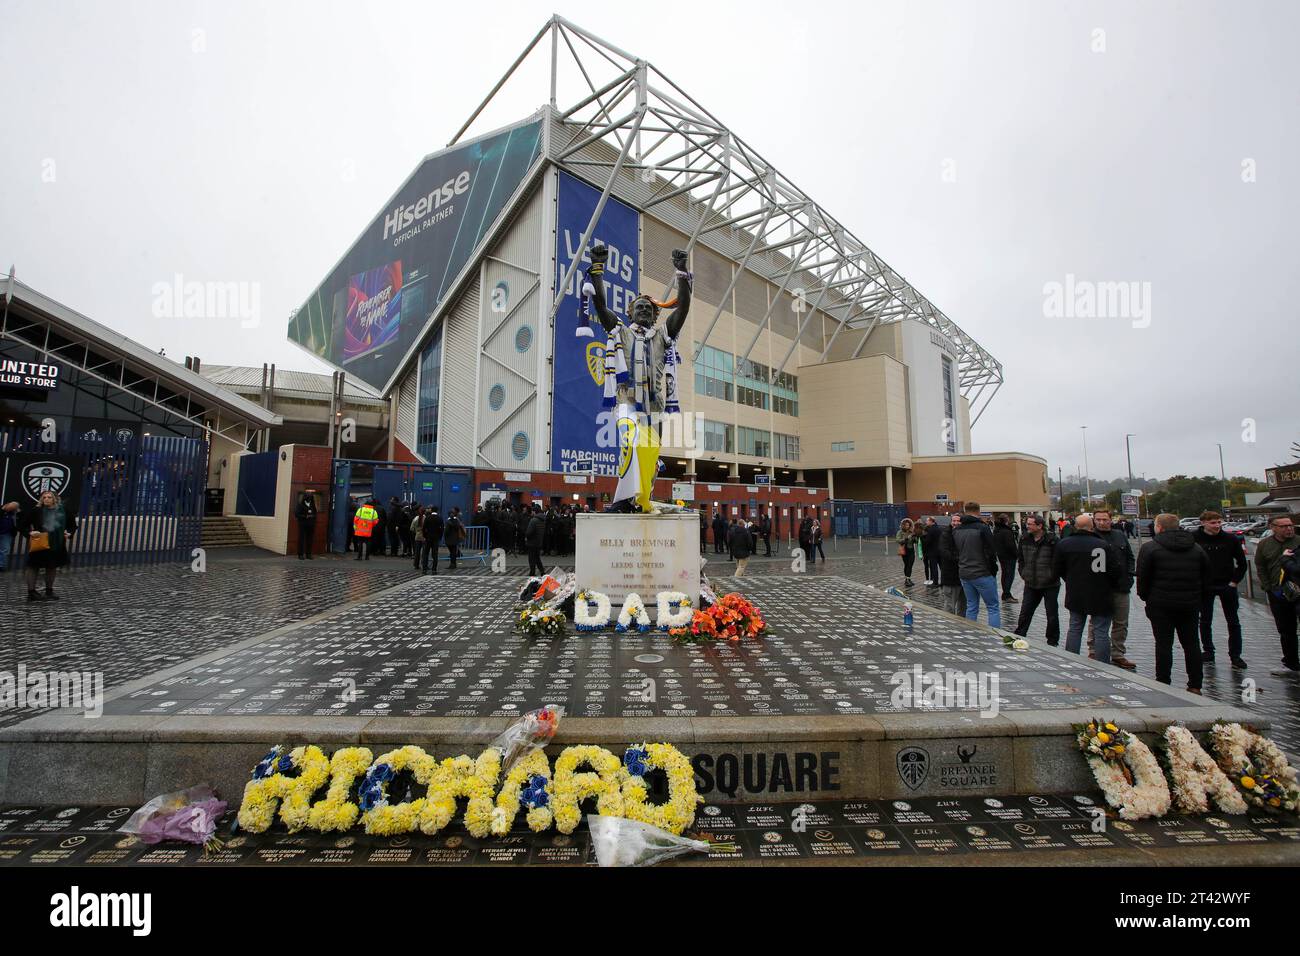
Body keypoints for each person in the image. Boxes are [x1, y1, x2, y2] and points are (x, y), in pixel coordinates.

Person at [1137, 513, 1209, 694]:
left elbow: (1143, 577)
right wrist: (1200, 599)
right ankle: (1195, 684)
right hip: (1189, 604)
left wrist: (1145, 597)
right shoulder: (1196, 548)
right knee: (1192, 644)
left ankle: (1163, 681)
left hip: (1160, 603)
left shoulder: (1150, 548)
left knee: (1163, 644)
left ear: (1159, 527)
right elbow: (1207, 577)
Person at [1052, 513, 1120, 663]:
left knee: (1075, 627)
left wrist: (1070, 578)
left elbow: (1057, 569)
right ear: (1092, 527)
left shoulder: (1064, 544)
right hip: (1100, 591)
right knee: (1101, 631)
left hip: (1076, 591)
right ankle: (1103, 664)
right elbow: (1114, 570)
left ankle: (1071, 660)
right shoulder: (1102, 544)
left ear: (1075, 527)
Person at [1193, 510, 1249, 669]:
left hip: (1227, 584)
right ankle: (1208, 651)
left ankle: (1235, 655)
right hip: (1205, 585)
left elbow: (1242, 564)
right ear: (1203, 523)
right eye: (1213, 523)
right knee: (1205, 620)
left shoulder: (1230, 539)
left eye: (1219, 522)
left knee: (1233, 622)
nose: (1217, 525)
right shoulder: (1194, 538)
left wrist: (1234, 582)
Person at [1088, 509, 1137, 670]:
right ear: (1094, 521)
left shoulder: (1119, 535)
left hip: (1121, 586)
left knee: (1121, 621)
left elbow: (1130, 557)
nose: (1102, 522)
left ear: (1111, 520)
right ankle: (1094, 650)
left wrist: (1129, 576)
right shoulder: (1090, 537)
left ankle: (1117, 654)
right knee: (1097, 621)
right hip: (1099, 588)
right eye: (1098, 520)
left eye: (1105, 519)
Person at [1255, 514, 1300, 676]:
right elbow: (1260, 566)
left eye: (1290, 525)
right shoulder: (1265, 544)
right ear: (1272, 527)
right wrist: (1268, 587)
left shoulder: (1298, 542)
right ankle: (1291, 663)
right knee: (1286, 629)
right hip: (1277, 592)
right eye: (1283, 526)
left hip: (1298, 591)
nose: (1289, 528)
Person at [17, 491, 77, 601]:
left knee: (52, 566)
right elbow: (22, 525)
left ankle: (49, 591)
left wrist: (69, 533)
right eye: (44, 497)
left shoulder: (64, 511)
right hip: (40, 542)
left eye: (49, 497)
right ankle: (31, 592)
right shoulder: (37, 511)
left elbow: (73, 525)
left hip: (57, 543)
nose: (46, 499)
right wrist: (30, 533)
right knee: (33, 566)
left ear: (55, 499)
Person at [951, 502, 1000, 627]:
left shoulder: (957, 530)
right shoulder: (982, 528)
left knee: (971, 606)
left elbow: (955, 551)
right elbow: (991, 550)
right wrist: (992, 570)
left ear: (964, 511)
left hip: (964, 572)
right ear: (978, 511)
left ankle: (971, 634)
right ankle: (995, 635)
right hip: (982, 572)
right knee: (992, 607)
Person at [1014, 515, 1061, 646]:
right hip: (1030, 582)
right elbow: (1021, 559)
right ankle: (1019, 634)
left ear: (1040, 526)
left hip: (1050, 584)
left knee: (1051, 613)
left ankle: (1052, 640)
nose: (1027, 526)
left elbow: (1058, 562)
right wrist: (1023, 573)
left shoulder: (1052, 540)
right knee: (1025, 612)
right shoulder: (1024, 538)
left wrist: (1051, 575)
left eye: (1030, 524)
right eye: (1027, 524)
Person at [937, 518, 966, 617]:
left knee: (964, 604)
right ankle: (949, 625)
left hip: (965, 574)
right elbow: (945, 553)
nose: (956, 523)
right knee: (950, 604)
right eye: (954, 521)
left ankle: (962, 624)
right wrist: (961, 559)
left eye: (958, 521)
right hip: (950, 575)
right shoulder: (946, 535)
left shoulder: (964, 534)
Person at [993, 514, 1019, 603]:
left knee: (1004, 575)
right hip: (1009, 556)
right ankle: (1007, 594)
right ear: (1006, 521)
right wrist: (1016, 554)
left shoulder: (996, 530)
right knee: (1009, 575)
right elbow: (1010, 545)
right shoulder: (1007, 531)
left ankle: (1006, 593)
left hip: (1001, 555)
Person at [295, 491, 318, 560]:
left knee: (310, 539)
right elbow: (297, 514)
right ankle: (300, 554)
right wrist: (305, 516)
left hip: (311, 524)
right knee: (301, 539)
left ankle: (308, 554)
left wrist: (313, 517)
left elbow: (315, 513)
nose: (309, 498)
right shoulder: (300, 505)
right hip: (303, 524)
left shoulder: (312, 504)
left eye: (310, 497)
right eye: (308, 497)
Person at [896, 519, 918, 587]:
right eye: (906, 525)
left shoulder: (911, 532)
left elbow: (916, 541)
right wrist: (906, 538)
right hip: (905, 550)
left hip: (911, 550)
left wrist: (915, 538)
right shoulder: (900, 532)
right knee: (906, 565)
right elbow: (898, 540)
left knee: (910, 565)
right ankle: (907, 579)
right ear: (903, 525)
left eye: (908, 525)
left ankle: (908, 579)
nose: (907, 526)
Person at [525, 505, 546, 577]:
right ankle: (542, 571)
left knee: (531, 559)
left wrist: (526, 536)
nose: (531, 513)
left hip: (532, 542)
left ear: (534, 512)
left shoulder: (533, 520)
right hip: (539, 542)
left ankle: (532, 572)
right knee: (537, 558)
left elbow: (529, 532)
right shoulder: (543, 519)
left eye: (532, 511)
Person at [0, 500, 19, 575]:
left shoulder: (14, 513)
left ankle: (1, 566)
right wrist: (2, 510)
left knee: (4, 550)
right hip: (2, 532)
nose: (10, 509)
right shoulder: (1, 510)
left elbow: (19, 520)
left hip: (7, 534)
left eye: (13, 508)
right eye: (10, 508)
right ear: (7, 505)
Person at [922, 517, 942, 586]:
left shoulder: (931, 530)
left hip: (932, 552)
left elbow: (927, 542)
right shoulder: (939, 528)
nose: (926, 522)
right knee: (942, 567)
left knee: (934, 567)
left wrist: (923, 537)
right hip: (940, 551)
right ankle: (943, 581)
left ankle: (935, 582)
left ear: (931, 521)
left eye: (927, 521)